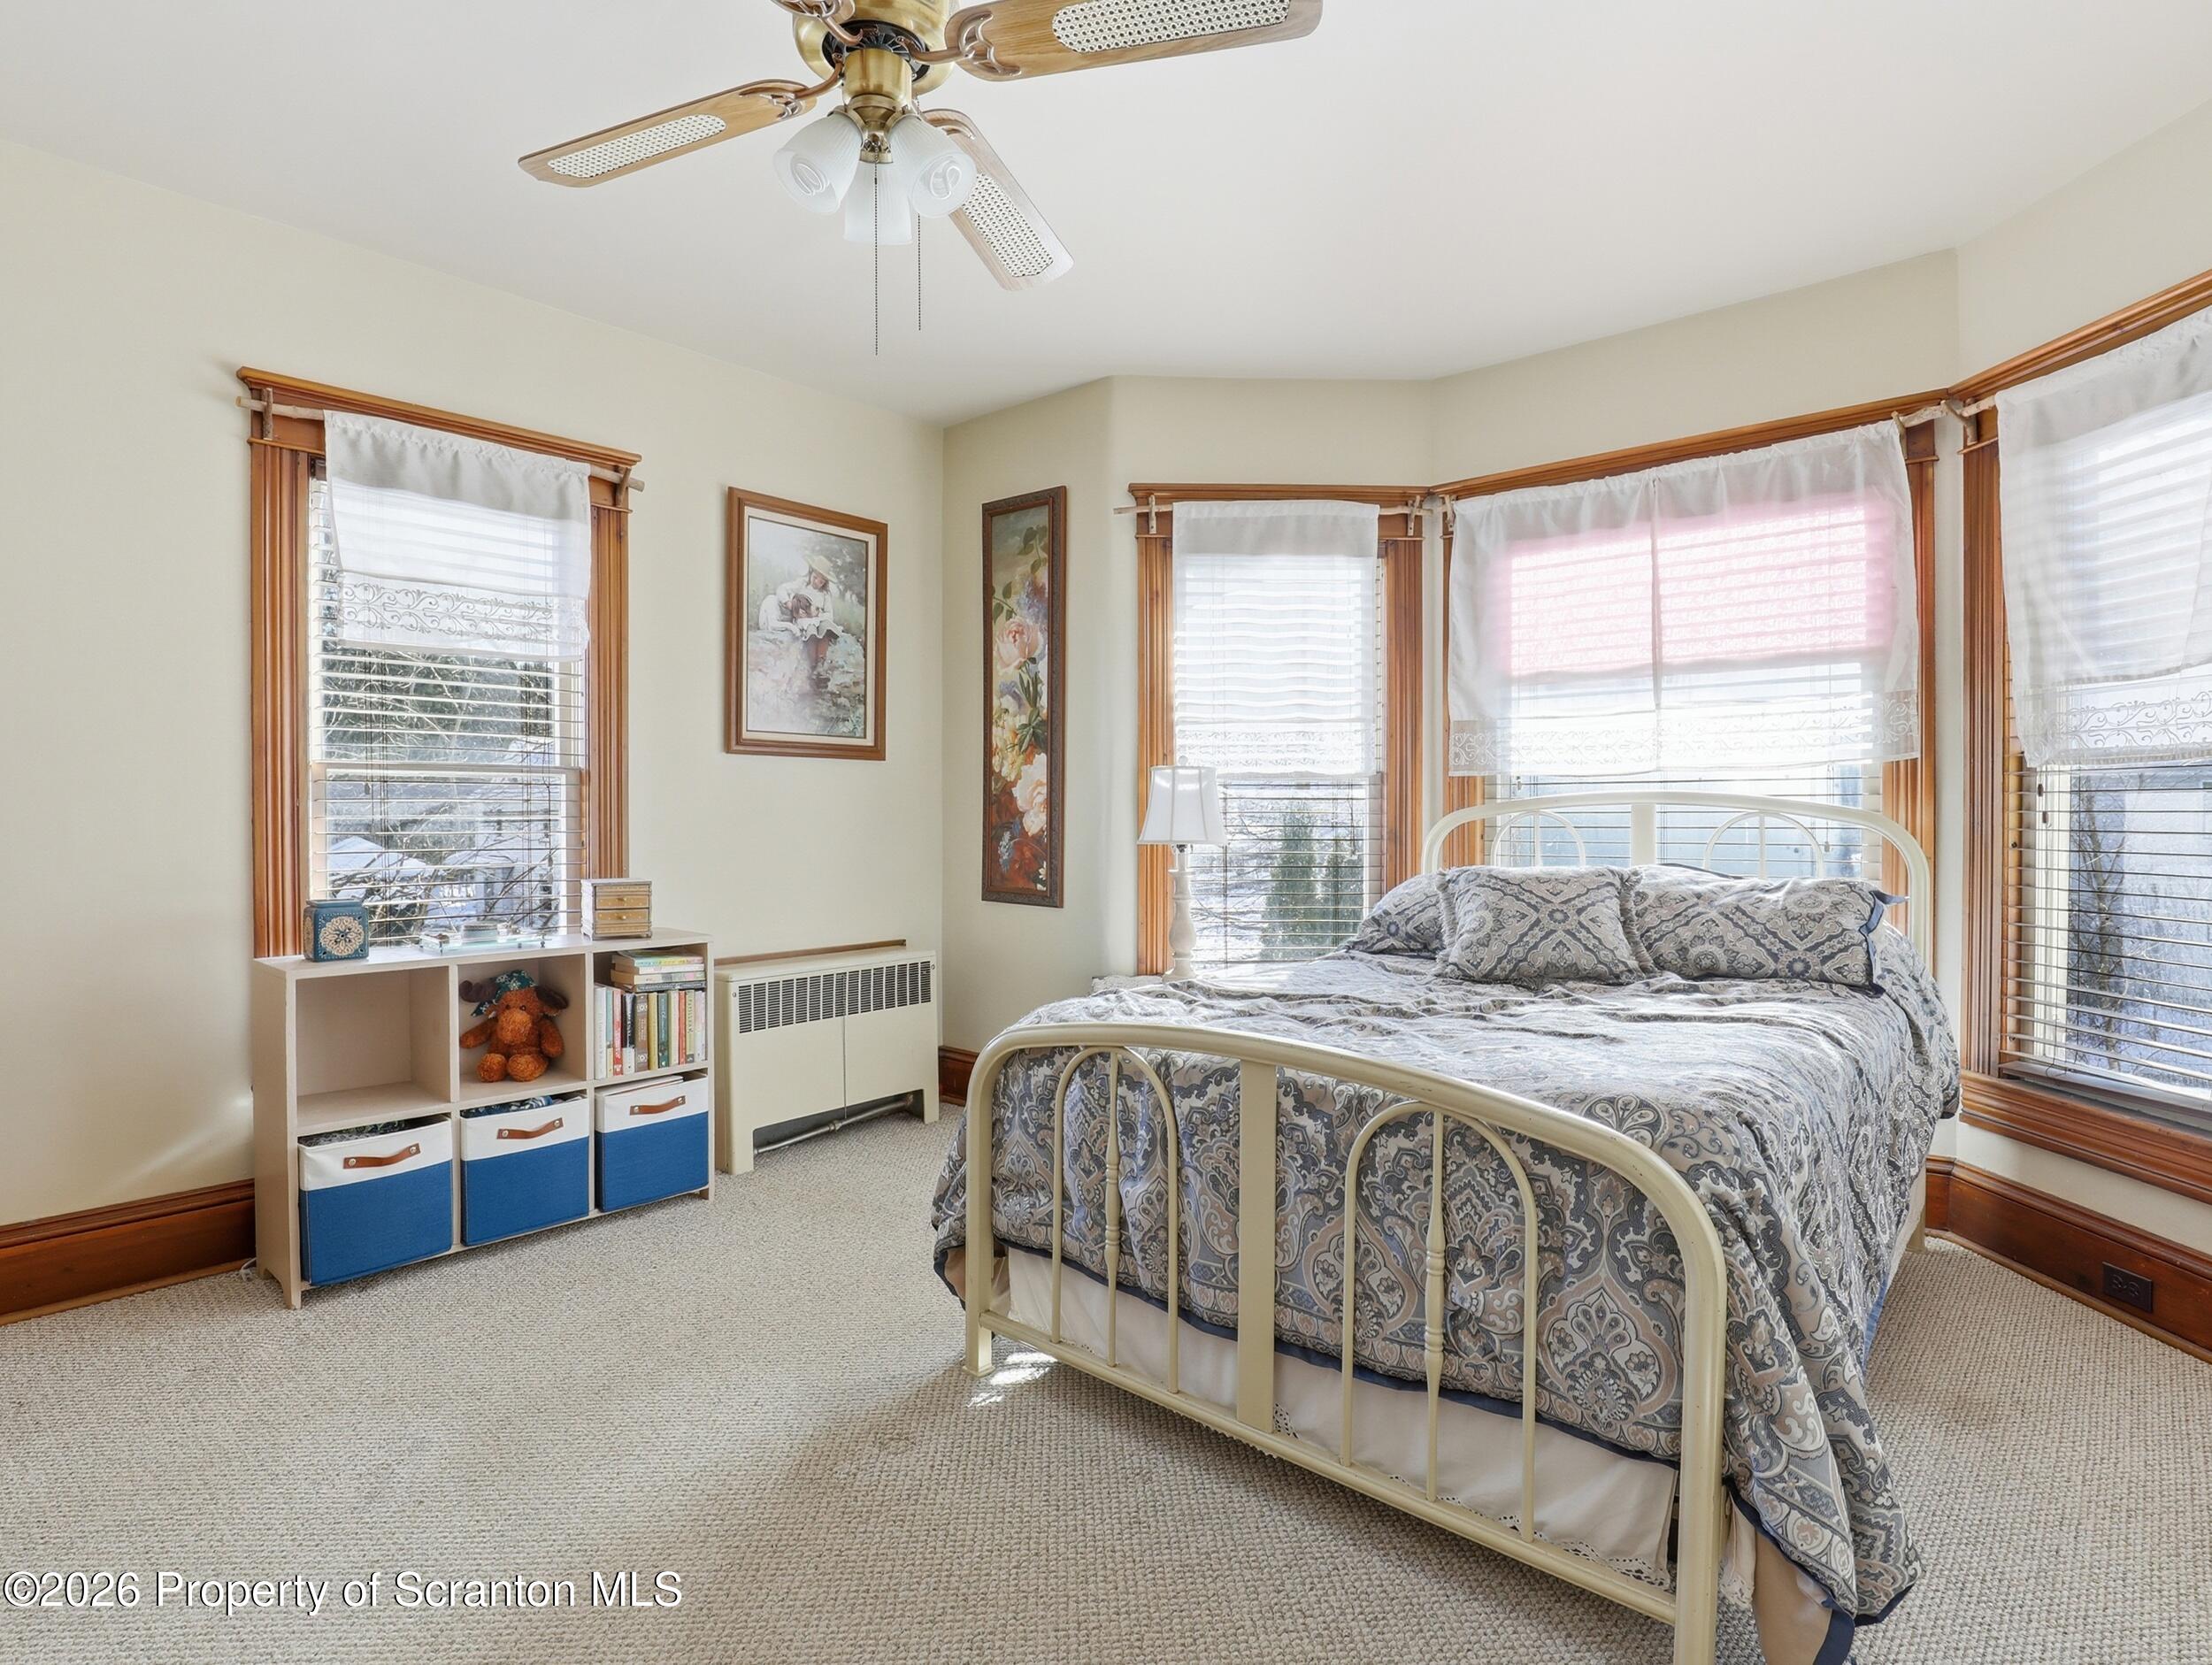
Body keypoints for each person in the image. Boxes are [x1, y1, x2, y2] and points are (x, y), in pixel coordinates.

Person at [757, 557, 849, 682]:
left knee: (825, 630)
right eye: (815, 577)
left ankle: (820, 665)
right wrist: (788, 602)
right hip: (804, 620)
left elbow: (829, 614)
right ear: (811, 572)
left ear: (825, 583)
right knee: (811, 631)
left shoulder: (825, 594)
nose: (816, 582)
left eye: (821, 581)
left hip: (818, 618)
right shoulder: (802, 584)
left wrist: (818, 615)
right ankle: (813, 665)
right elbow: (781, 589)